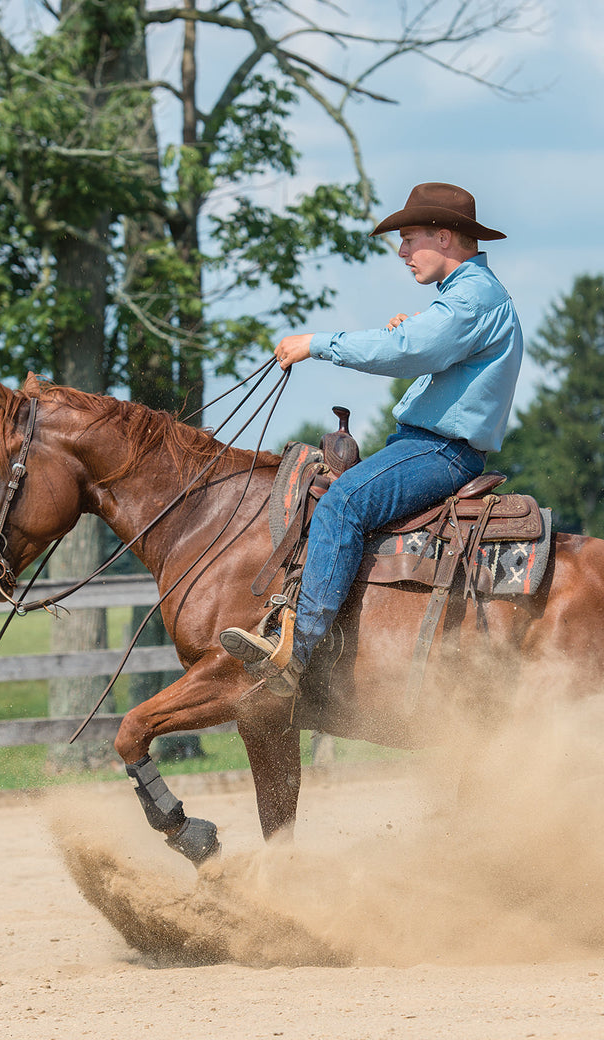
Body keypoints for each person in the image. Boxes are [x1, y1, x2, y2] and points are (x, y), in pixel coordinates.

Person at [220, 181, 523, 695]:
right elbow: (425, 350)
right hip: (431, 446)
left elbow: (402, 351)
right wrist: (417, 331)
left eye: (410, 239)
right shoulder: (465, 298)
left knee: (341, 505)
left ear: (444, 237)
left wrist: (316, 344)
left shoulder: (471, 298)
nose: (402, 252)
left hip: (438, 450)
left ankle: (298, 649)